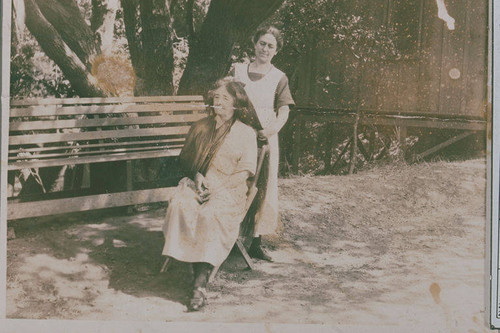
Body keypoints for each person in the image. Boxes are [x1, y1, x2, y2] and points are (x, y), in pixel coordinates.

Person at [161, 78, 259, 311]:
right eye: (216, 98)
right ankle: (197, 270)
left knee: (209, 214)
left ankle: (199, 283)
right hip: (199, 182)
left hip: (229, 188)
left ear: (237, 104)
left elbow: (245, 172)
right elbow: (185, 161)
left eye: (226, 98)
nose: (219, 102)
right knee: (181, 204)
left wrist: (217, 188)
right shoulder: (201, 127)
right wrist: (197, 176)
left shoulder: (246, 133)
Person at [232, 26, 295, 262]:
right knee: (237, 181)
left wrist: (269, 131)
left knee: (262, 185)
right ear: (254, 43)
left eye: (270, 46)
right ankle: (229, 238)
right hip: (239, 134)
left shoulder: (279, 77)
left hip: (265, 136)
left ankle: (255, 241)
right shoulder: (238, 71)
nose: (265, 49)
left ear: (276, 51)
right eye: (262, 43)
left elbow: (284, 111)